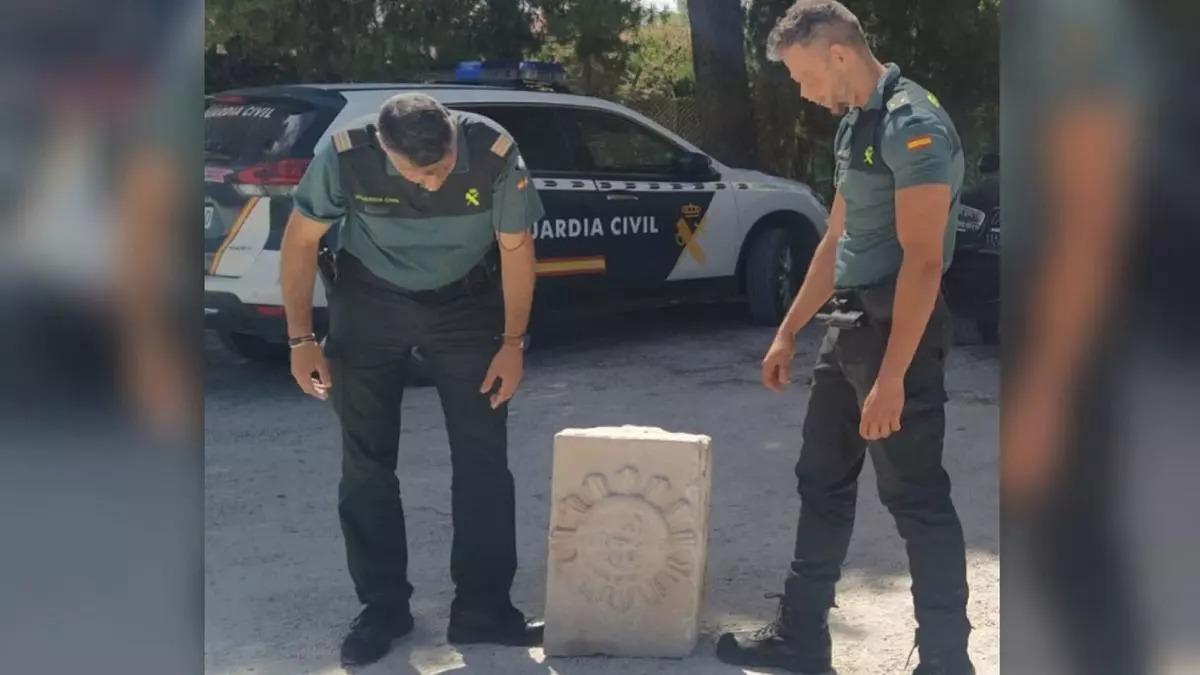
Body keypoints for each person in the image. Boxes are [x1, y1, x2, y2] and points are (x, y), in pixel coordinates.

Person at [715, 2, 973, 674]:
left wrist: (892, 375)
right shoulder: (856, 123)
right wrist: (788, 329)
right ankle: (802, 637)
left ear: (836, 54)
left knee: (915, 495)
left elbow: (922, 261)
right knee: (821, 477)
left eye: (801, 76)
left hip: (897, 328)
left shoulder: (912, 124)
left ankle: (947, 659)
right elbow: (837, 236)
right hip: (849, 323)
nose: (800, 92)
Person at [278, 93, 543, 667]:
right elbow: (301, 241)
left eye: (442, 168)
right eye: (415, 173)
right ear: (383, 148)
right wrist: (301, 341)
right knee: (366, 461)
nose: (429, 183)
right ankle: (383, 608)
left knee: (483, 459)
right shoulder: (345, 153)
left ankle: (483, 607)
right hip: (369, 301)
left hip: (466, 305)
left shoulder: (494, 151)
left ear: (453, 136)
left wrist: (512, 344)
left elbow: (517, 249)